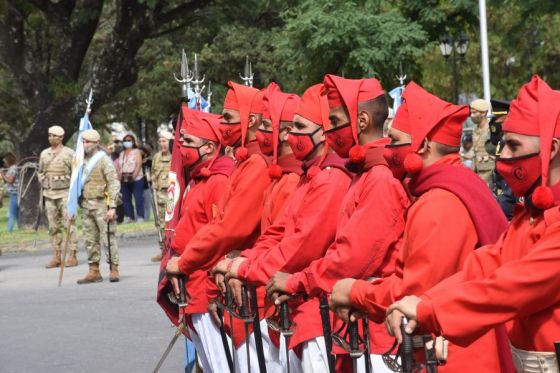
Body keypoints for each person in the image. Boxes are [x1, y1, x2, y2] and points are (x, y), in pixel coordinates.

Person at [329, 82, 511, 372]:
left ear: (423, 145)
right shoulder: (446, 189)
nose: (389, 149)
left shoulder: (439, 201)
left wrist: (356, 292)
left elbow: (415, 290)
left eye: (396, 141)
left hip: (456, 357)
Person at [385, 76, 560, 373]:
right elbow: (486, 265)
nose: (502, 155)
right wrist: (426, 300)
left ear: (552, 149)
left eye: (513, 146)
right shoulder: (530, 215)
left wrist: (429, 309)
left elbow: (512, 286)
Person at [266, 75, 410, 372]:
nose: (329, 129)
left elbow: (351, 256)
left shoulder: (380, 178)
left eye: (334, 120)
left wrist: (295, 281)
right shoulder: (364, 174)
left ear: (362, 121)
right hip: (355, 323)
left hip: (377, 330)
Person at [216, 83, 353, 372]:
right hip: (291, 301)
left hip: (315, 309)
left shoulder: (328, 178)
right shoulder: (308, 177)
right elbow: (279, 232)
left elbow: (302, 244)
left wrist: (245, 268)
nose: (290, 136)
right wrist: (244, 262)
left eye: (300, 127)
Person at [165, 81, 272, 373]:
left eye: (228, 118)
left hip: (231, 285)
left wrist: (188, 265)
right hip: (213, 282)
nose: (181, 148)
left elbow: (228, 230)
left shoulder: (252, 167)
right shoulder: (239, 166)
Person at [163, 109, 235, 372]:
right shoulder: (198, 177)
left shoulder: (218, 181)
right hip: (190, 284)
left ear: (209, 147)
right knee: (207, 363)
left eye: (188, 142)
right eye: (180, 140)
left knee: (220, 365)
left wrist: (213, 291)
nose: (180, 147)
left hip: (205, 287)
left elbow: (222, 239)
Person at [77, 129, 121, 284]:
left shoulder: (104, 160)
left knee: (108, 238)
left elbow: (113, 183)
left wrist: (113, 207)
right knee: (90, 239)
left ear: (96, 143)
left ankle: (114, 268)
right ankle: (93, 270)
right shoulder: (80, 161)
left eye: (87, 141)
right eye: (83, 141)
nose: (84, 144)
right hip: (87, 204)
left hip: (102, 204)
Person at [39, 125, 79, 268]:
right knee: (53, 226)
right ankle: (56, 255)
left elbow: (76, 173)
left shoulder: (70, 153)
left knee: (70, 225)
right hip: (49, 194)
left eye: (54, 136)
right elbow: (41, 170)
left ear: (61, 137)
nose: (51, 138)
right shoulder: (44, 154)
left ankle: (72, 254)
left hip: (65, 194)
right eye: (49, 135)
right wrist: (43, 180)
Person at [150, 130, 173, 262]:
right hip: (159, 194)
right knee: (160, 223)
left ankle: (172, 249)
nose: (162, 143)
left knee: (170, 222)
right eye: (161, 141)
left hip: (170, 194)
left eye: (164, 141)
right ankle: (163, 249)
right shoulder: (157, 157)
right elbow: (153, 173)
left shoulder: (174, 156)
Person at [117, 133, 144, 223]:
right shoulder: (121, 153)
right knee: (126, 199)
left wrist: (134, 176)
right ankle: (129, 216)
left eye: (129, 140)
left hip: (136, 178)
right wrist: (120, 176)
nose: (127, 142)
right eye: (125, 141)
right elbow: (119, 166)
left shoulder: (136, 151)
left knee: (138, 197)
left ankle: (140, 216)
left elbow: (139, 164)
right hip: (124, 178)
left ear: (133, 141)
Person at [471, 98, 495, 186]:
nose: (471, 115)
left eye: (474, 112)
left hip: (489, 171)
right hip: (476, 170)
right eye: (471, 112)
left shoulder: (491, 128)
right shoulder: (475, 129)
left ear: (483, 113)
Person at [1, 152, 19, 232]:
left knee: (11, 214)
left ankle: (9, 230)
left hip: (14, 193)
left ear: (9, 160)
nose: (4, 163)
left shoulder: (13, 168)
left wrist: (3, 175)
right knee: (17, 214)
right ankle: (21, 228)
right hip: (15, 193)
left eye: (5, 161)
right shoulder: (14, 168)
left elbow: (10, 180)